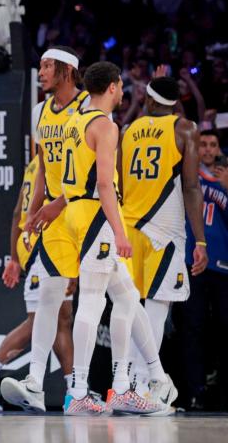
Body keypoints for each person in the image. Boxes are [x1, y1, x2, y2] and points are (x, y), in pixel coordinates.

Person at [57, 62, 170, 415]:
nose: (123, 92)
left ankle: (125, 385)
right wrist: (119, 231)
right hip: (97, 217)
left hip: (77, 213)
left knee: (127, 296)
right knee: (92, 301)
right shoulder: (105, 125)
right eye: (121, 86)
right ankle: (78, 391)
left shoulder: (75, 119)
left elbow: (70, 176)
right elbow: (105, 183)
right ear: (113, 87)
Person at [1, 46, 89, 412]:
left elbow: (94, 170)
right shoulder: (40, 111)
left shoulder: (88, 107)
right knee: (52, 303)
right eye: (39, 66)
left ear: (67, 71)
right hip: (55, 219)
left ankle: (138, 381)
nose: (40, 72)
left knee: (117, 301)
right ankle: (44, 384)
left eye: (47, 66)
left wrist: (58, 203)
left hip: (89, 212)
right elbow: (42, 168)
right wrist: (32, 213)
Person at [0, 157, 74, 412]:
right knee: (41, 321)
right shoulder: (56, 159)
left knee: (61, 318)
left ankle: (74, 391)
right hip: (44, 242)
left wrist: (14, 257)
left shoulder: (35, 162)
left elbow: (16, 213)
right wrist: (14, 257)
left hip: (35, 241)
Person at [120, 76, 208, 398]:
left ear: (149, 100)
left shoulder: (127, 132)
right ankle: (144, 385)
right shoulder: (184, 129)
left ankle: (125, 382)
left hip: (129, 229)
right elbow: (191, 187)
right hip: (164, 230)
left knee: (130, 308)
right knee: (157, 309)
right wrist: (200, 240)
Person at [180, 130, 228, 410]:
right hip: (192, 262)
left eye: (213, 145)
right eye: (203, 144)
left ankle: (223, 396)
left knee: (224, 330)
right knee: (192, 329)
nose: (208, 149)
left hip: (223, 266)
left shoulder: (226, 178)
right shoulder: (186, 175)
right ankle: (193, 395)